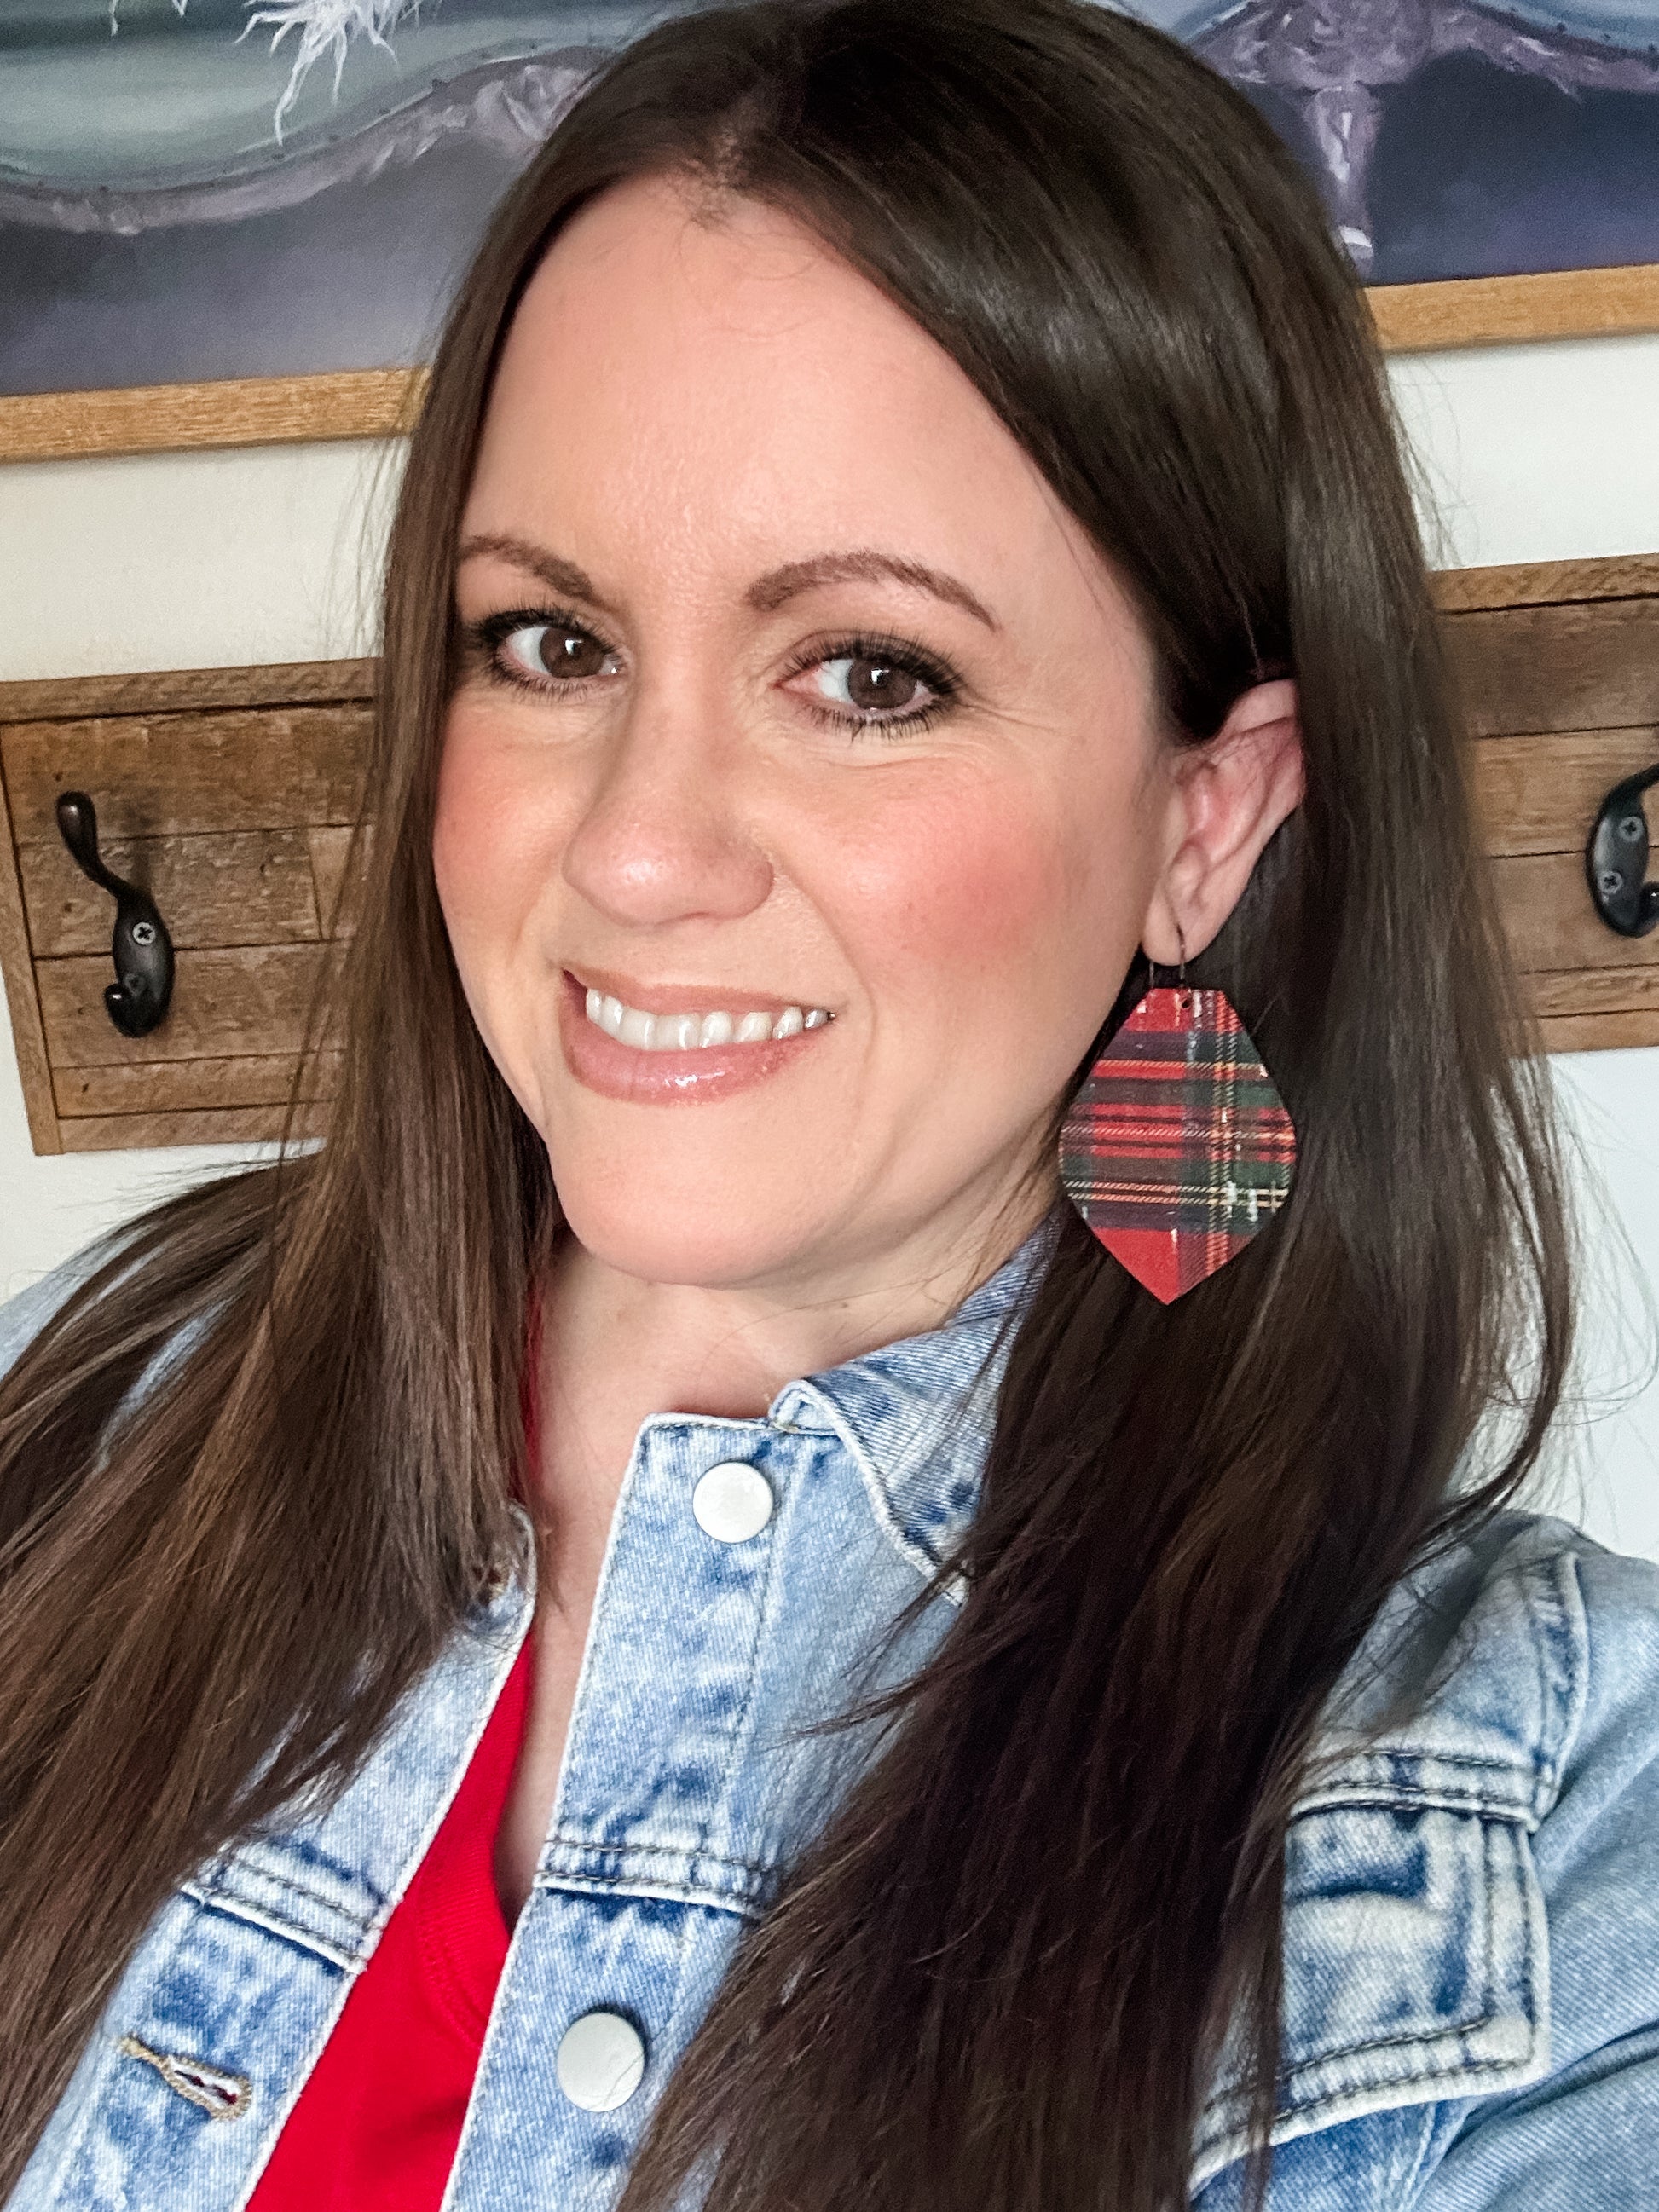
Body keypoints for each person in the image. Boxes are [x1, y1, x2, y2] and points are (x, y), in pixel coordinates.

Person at [2, 2, 1656, 2205]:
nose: (636, 850)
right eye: (551, 644)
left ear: (1204, 818)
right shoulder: (96, 1412)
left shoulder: (1543, 1815)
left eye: (872, 676)